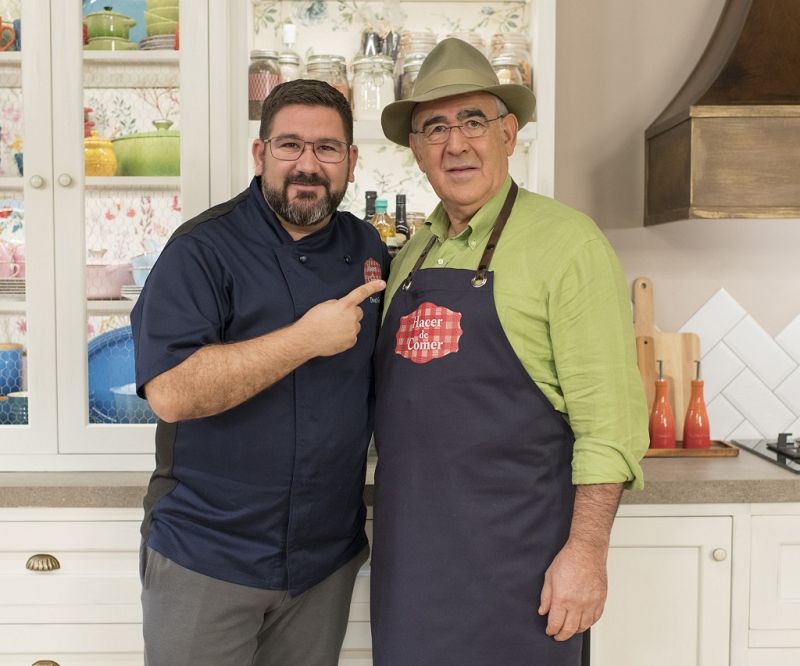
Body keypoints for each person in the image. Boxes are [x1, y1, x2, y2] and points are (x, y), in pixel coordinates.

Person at [370, 38, 649, 665]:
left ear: (508, 133)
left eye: (474, 121)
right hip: (410, 569)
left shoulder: (568, 244)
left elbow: (609, 423)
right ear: (415, 150)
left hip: (522, 573)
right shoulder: (414, 252)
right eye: (434, 127)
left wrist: (587, 555)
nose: (455, 143)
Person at [130, 79, 389, 666]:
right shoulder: (202, 249)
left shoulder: (367, 246)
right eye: (289, 145)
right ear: (260, 153)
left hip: (323, 563)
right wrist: (304, 340)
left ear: (351, 160)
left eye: (327, 149)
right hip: (209, 555)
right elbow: (170, 392)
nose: (308, 164)